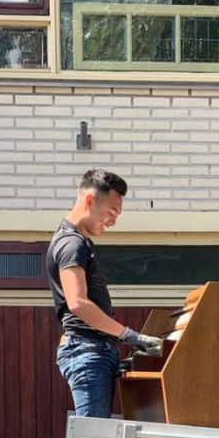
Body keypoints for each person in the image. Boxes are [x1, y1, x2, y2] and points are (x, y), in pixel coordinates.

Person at [47, 170, 163, 419]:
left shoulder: (80, 242)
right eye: (111, 212)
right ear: (90, 201)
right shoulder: (72, 243)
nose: (113, 221)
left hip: (93, 350)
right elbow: (77, 303)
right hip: (87, 350)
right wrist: (130, 336)